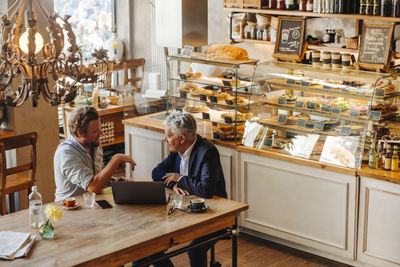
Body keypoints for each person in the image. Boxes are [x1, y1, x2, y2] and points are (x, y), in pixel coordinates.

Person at [151, 111, 227, 267]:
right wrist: (174, 184)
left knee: (195, 251)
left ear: (181, 138)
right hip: (187, 212)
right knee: (148, 247)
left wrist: (180, 178)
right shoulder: (177, 151)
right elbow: (156, 173)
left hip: (215, 216)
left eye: (168, 136)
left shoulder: (208, 152)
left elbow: (206, 189)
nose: (165, 139)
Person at [54, 106, 136, 201]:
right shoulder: (66, 154)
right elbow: (93, 187)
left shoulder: (95, 145)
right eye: (95, 131)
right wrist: (116, 159)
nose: (101, 133)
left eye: (99, 128)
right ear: (81, 133)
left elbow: (96, 178)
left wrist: (115, 181)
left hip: (90, 203)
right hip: (69, 209)